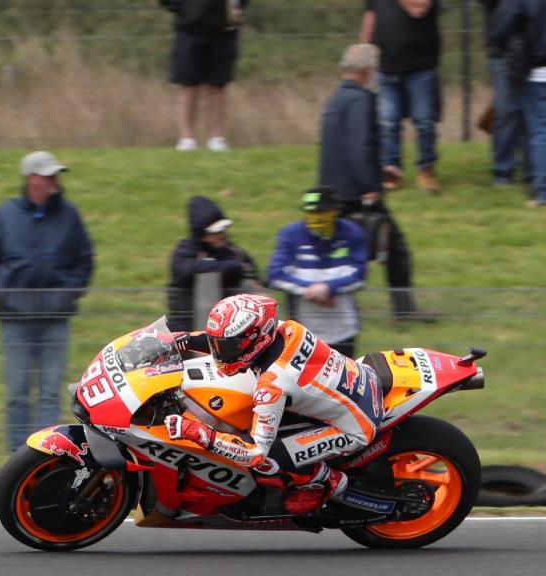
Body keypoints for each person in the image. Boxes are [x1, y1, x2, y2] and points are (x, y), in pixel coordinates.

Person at [163, 293, 384, 515]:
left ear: (255, 341)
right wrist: (179, 340)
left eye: (227, 347)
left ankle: (331, 481)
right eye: (216, 344)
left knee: (268, 461)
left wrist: (196, 432)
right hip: (357, 383)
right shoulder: (285, 329)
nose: (219, 353)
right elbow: (223, 342)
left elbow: (254, 453)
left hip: (354, 426)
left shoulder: (272, 385)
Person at [0, 151, 94, 452]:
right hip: (15, 321)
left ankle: (43, 455)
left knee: (51, 393)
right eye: (48, 175)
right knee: (17, 393)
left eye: (56, 175)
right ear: (31, 179)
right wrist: (5, 294)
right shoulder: (5, 214)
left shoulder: (69, 215)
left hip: (56, 320)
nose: (54, 181)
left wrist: (67, 294)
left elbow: (85, 261)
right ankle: (17, 455)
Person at [319, 44, 436, 323]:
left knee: (340, 253)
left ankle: (333, 307)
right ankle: (404, 310)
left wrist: (382, 169)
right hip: (357, 193)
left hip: (333, 194)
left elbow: (342, 147)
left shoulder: (335, 100)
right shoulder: (362, 100)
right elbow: (359, 147)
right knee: (395, 249)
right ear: (367, 70)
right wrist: (371, 185)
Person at [266, 187, 368, 358]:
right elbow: (275, 275)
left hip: (344, 330)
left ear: (335, 211)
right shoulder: (290, 235)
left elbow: (359, 275)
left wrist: (328, 288)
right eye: (310, 212)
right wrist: (310, 290)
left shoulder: (352, 233)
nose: (316, 217)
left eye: (322, 211)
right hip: (302, 334)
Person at [360, 0, 442, 193]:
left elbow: (418, 8)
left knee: (424, 122)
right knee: (387, 123)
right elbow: (370, 17)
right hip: (386, 67)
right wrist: (363, 53)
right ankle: (391, 171)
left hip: (420, 67)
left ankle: (426, 170)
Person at [160, 0, 248, 152]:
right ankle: (187, 139)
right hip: (188, 29)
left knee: (218, 84)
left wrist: (236, 8)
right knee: (188, 84)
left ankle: (216, 138)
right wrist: (185, 10)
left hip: (225, 30)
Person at [491, 0, 546, 209]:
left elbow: (502, 24)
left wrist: (502, 44)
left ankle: (545, 193)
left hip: (539, 70)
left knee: (542, 132)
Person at [166, 195, 261, 332]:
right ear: (201, 234)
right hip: (185, 331)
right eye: (216, 231)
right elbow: (184, 271)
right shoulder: (185, 251)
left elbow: (251, 275)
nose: (222, 234)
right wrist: (226, 268)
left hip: (230, 330)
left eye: (222, 229)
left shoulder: (234, 252)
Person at [480, 0, 531, 188]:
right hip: (501, 50)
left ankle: (531, 171)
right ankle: (503, 170)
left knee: (529, 113)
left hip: (534, 48)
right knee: (506, 112)